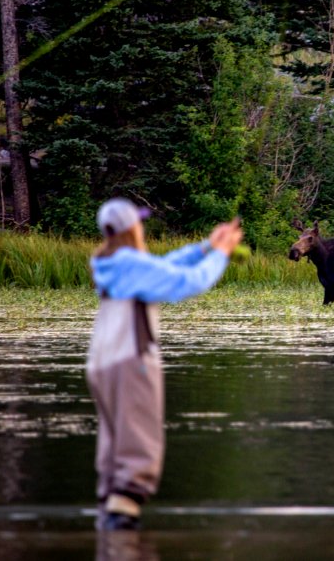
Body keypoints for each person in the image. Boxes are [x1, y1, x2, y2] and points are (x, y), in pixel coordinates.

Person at [86, 197, 243, 531]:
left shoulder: (111, 261)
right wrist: (221, 255)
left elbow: (164, 266)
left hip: (102, 363)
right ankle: (123, 517)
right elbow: (187, 282)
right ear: (132, 227)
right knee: (140, 440)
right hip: (131, 361)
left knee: (114, 441)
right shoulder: (129, 263)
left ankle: (110, 513)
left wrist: (205, 248)